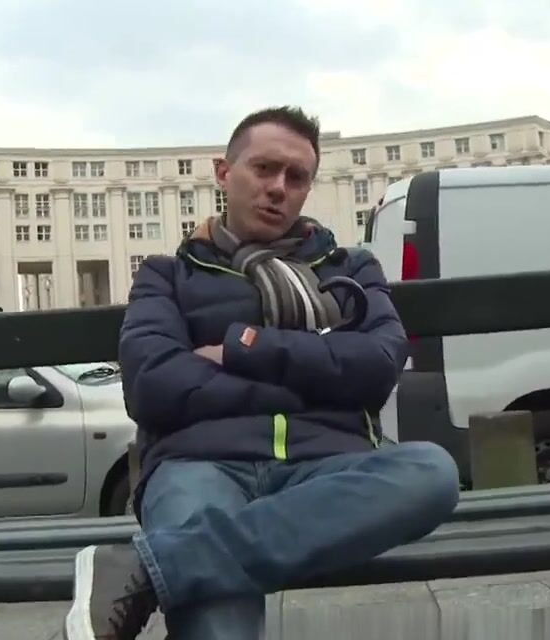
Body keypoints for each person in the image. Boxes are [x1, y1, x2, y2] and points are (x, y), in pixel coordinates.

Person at [64, 106, 460, 640]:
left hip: (329, 466)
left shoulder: (351, 269)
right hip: (199, 464)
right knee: (214, 587)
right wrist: (317, 372)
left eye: (296, 177)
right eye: (264, 168)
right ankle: (179, 564)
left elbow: (377, 366)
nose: (278, 188)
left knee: (431, 472)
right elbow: (152, 386)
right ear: (224, 172)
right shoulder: (166, 275)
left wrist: (242, 348)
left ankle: (151, 570)